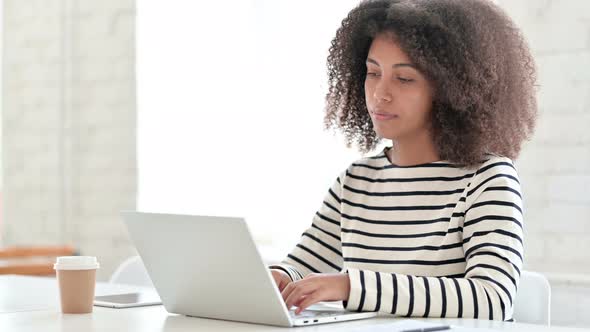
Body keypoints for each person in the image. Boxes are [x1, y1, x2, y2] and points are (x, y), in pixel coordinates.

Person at [269, 0, 537, 322]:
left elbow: (492, 299)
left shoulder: (488, 179)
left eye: (404, 79)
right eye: (372, 72)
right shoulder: (355, 182)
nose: (380, 93)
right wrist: (278, 277)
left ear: (451, 90)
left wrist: (352, 286)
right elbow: (301, 266)